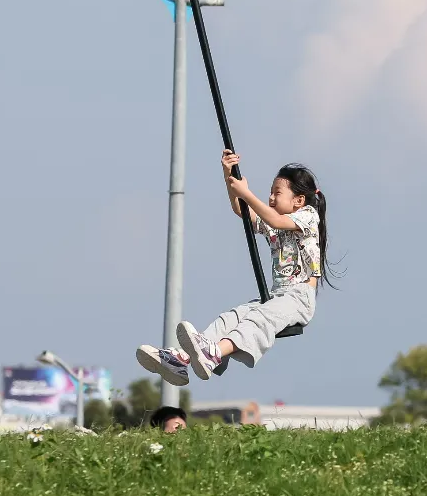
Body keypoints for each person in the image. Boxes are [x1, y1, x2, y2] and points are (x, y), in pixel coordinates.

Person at [136, 150, 328, 384]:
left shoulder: (308, 216)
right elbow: (242, 210)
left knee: (258, 320)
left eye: (277, 193)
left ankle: (214, 353)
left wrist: (246, 193)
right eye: (270, 192)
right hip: (275, 296)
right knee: (232, 317)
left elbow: (273, 218)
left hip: (299, 298)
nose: (270, 198)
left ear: (299, 200)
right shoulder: (276, 224)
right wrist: (229, 175)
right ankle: (181, 360)